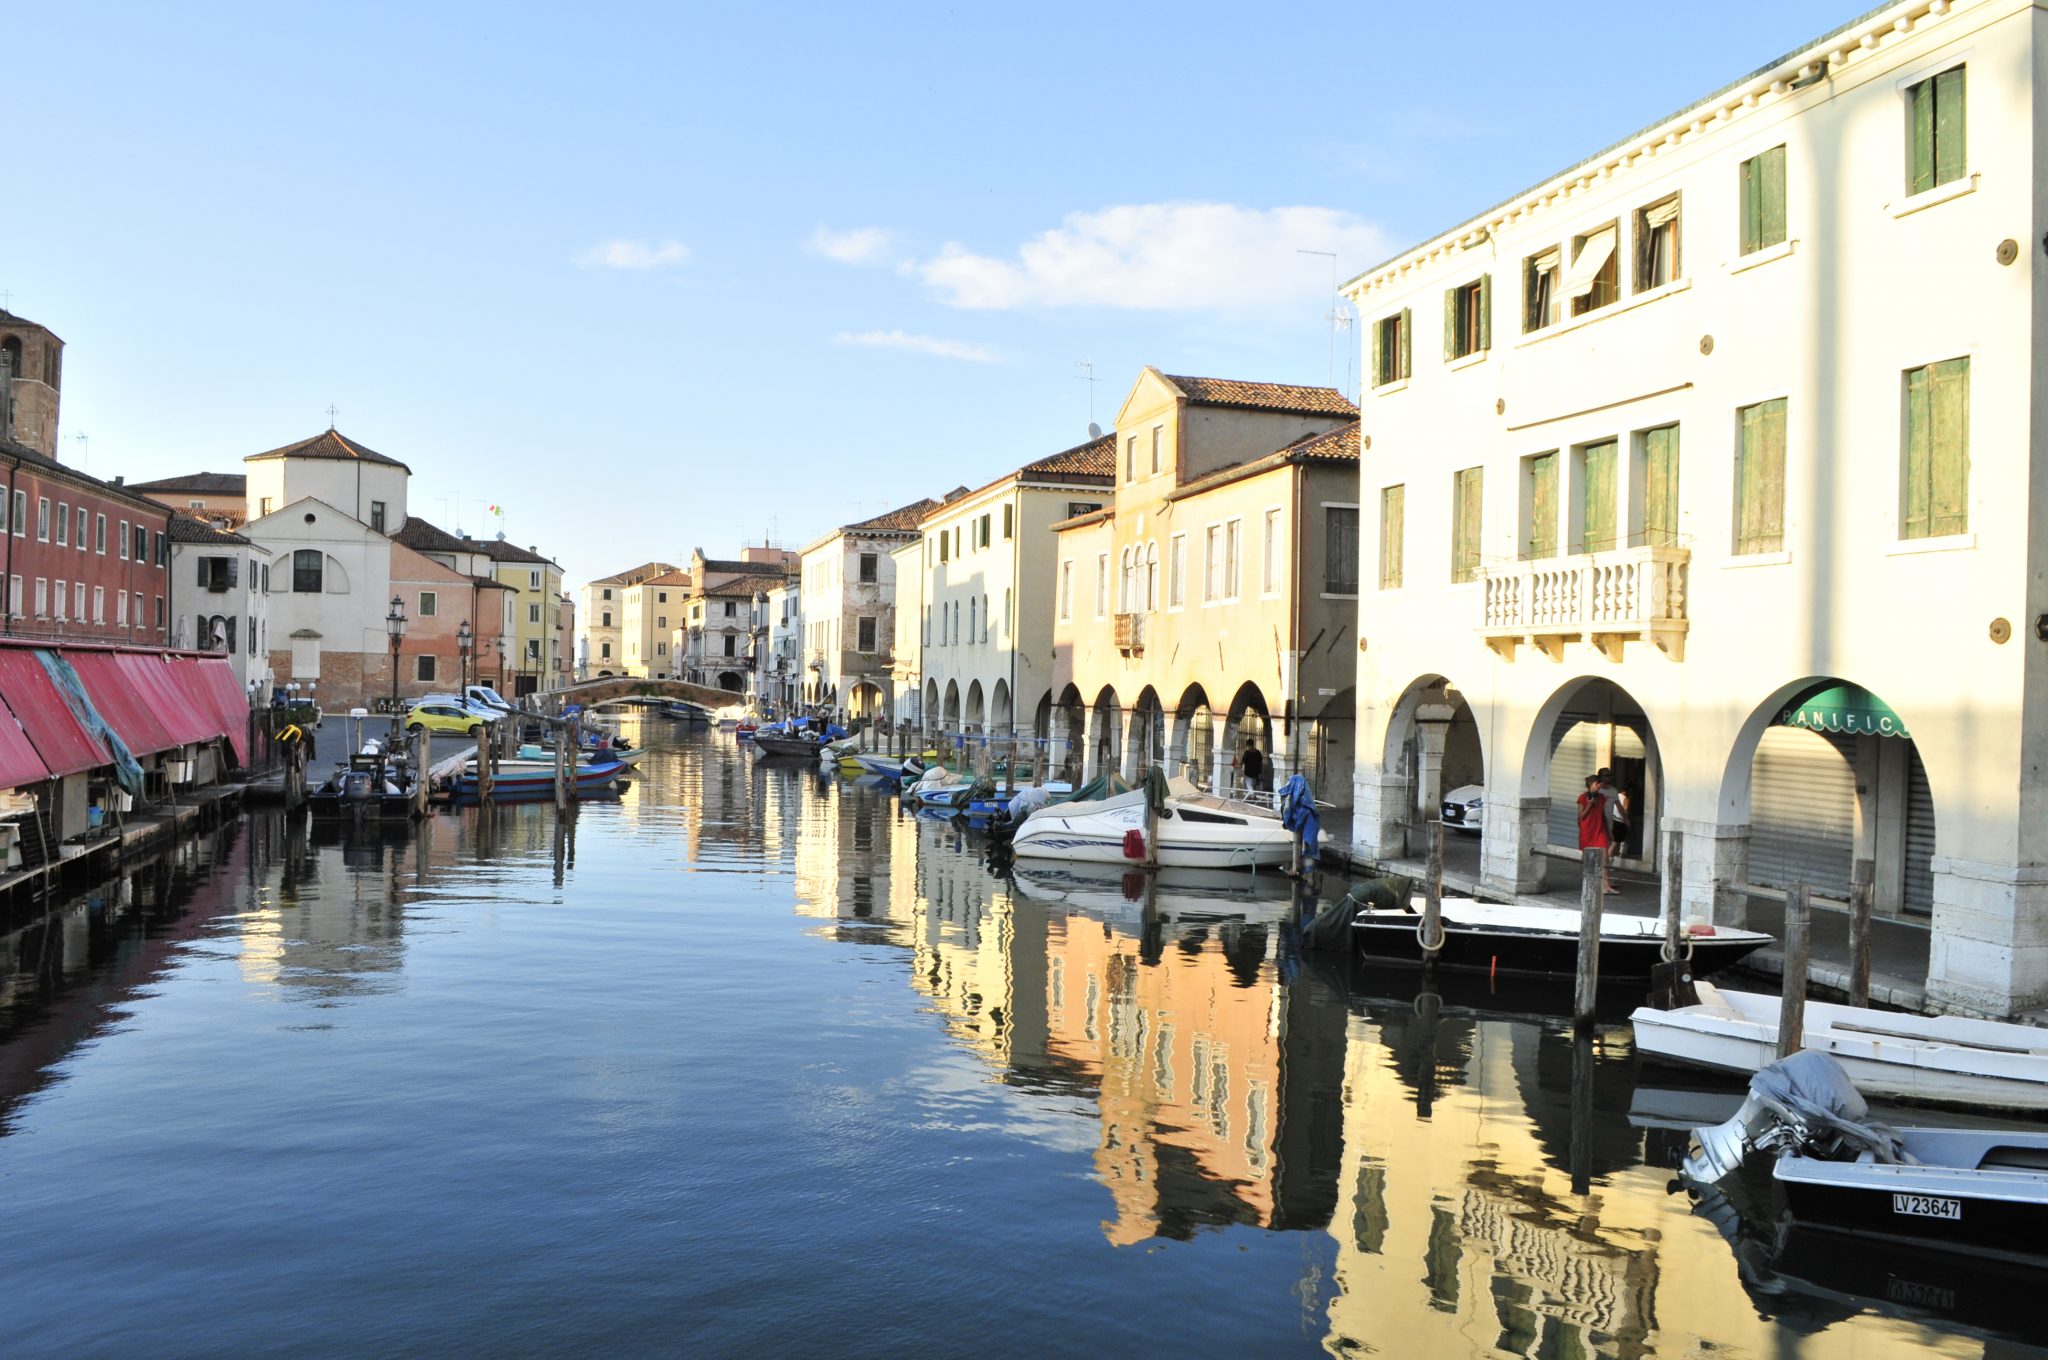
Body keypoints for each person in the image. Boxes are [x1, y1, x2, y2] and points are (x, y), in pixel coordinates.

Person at [1577, 774, 1617, 894]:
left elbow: (1604, 814)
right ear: (1591, 784)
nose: (1598, 786)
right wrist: (1590, 804)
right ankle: (1586, 880)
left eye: (1599, 784)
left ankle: (1606, 885)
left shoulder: (1602, 797)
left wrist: (1609, 830)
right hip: (1587, 830)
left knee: (1605, 856)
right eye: (1596, 784)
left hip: (1600, 829)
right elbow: (1581, 816)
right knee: (1586, 856)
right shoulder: (1582, 798)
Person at [1598, 767, 1631, 859]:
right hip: (1598, 822)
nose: (1610, 777)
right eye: (1607, 775)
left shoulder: (1613, 791)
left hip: (1610, 822)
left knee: (1607, 845)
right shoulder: (1598, 790)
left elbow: (1619, 806)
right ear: (1600, 777)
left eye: (1611, 775)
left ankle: (1605, 867)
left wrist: (1626, 819)